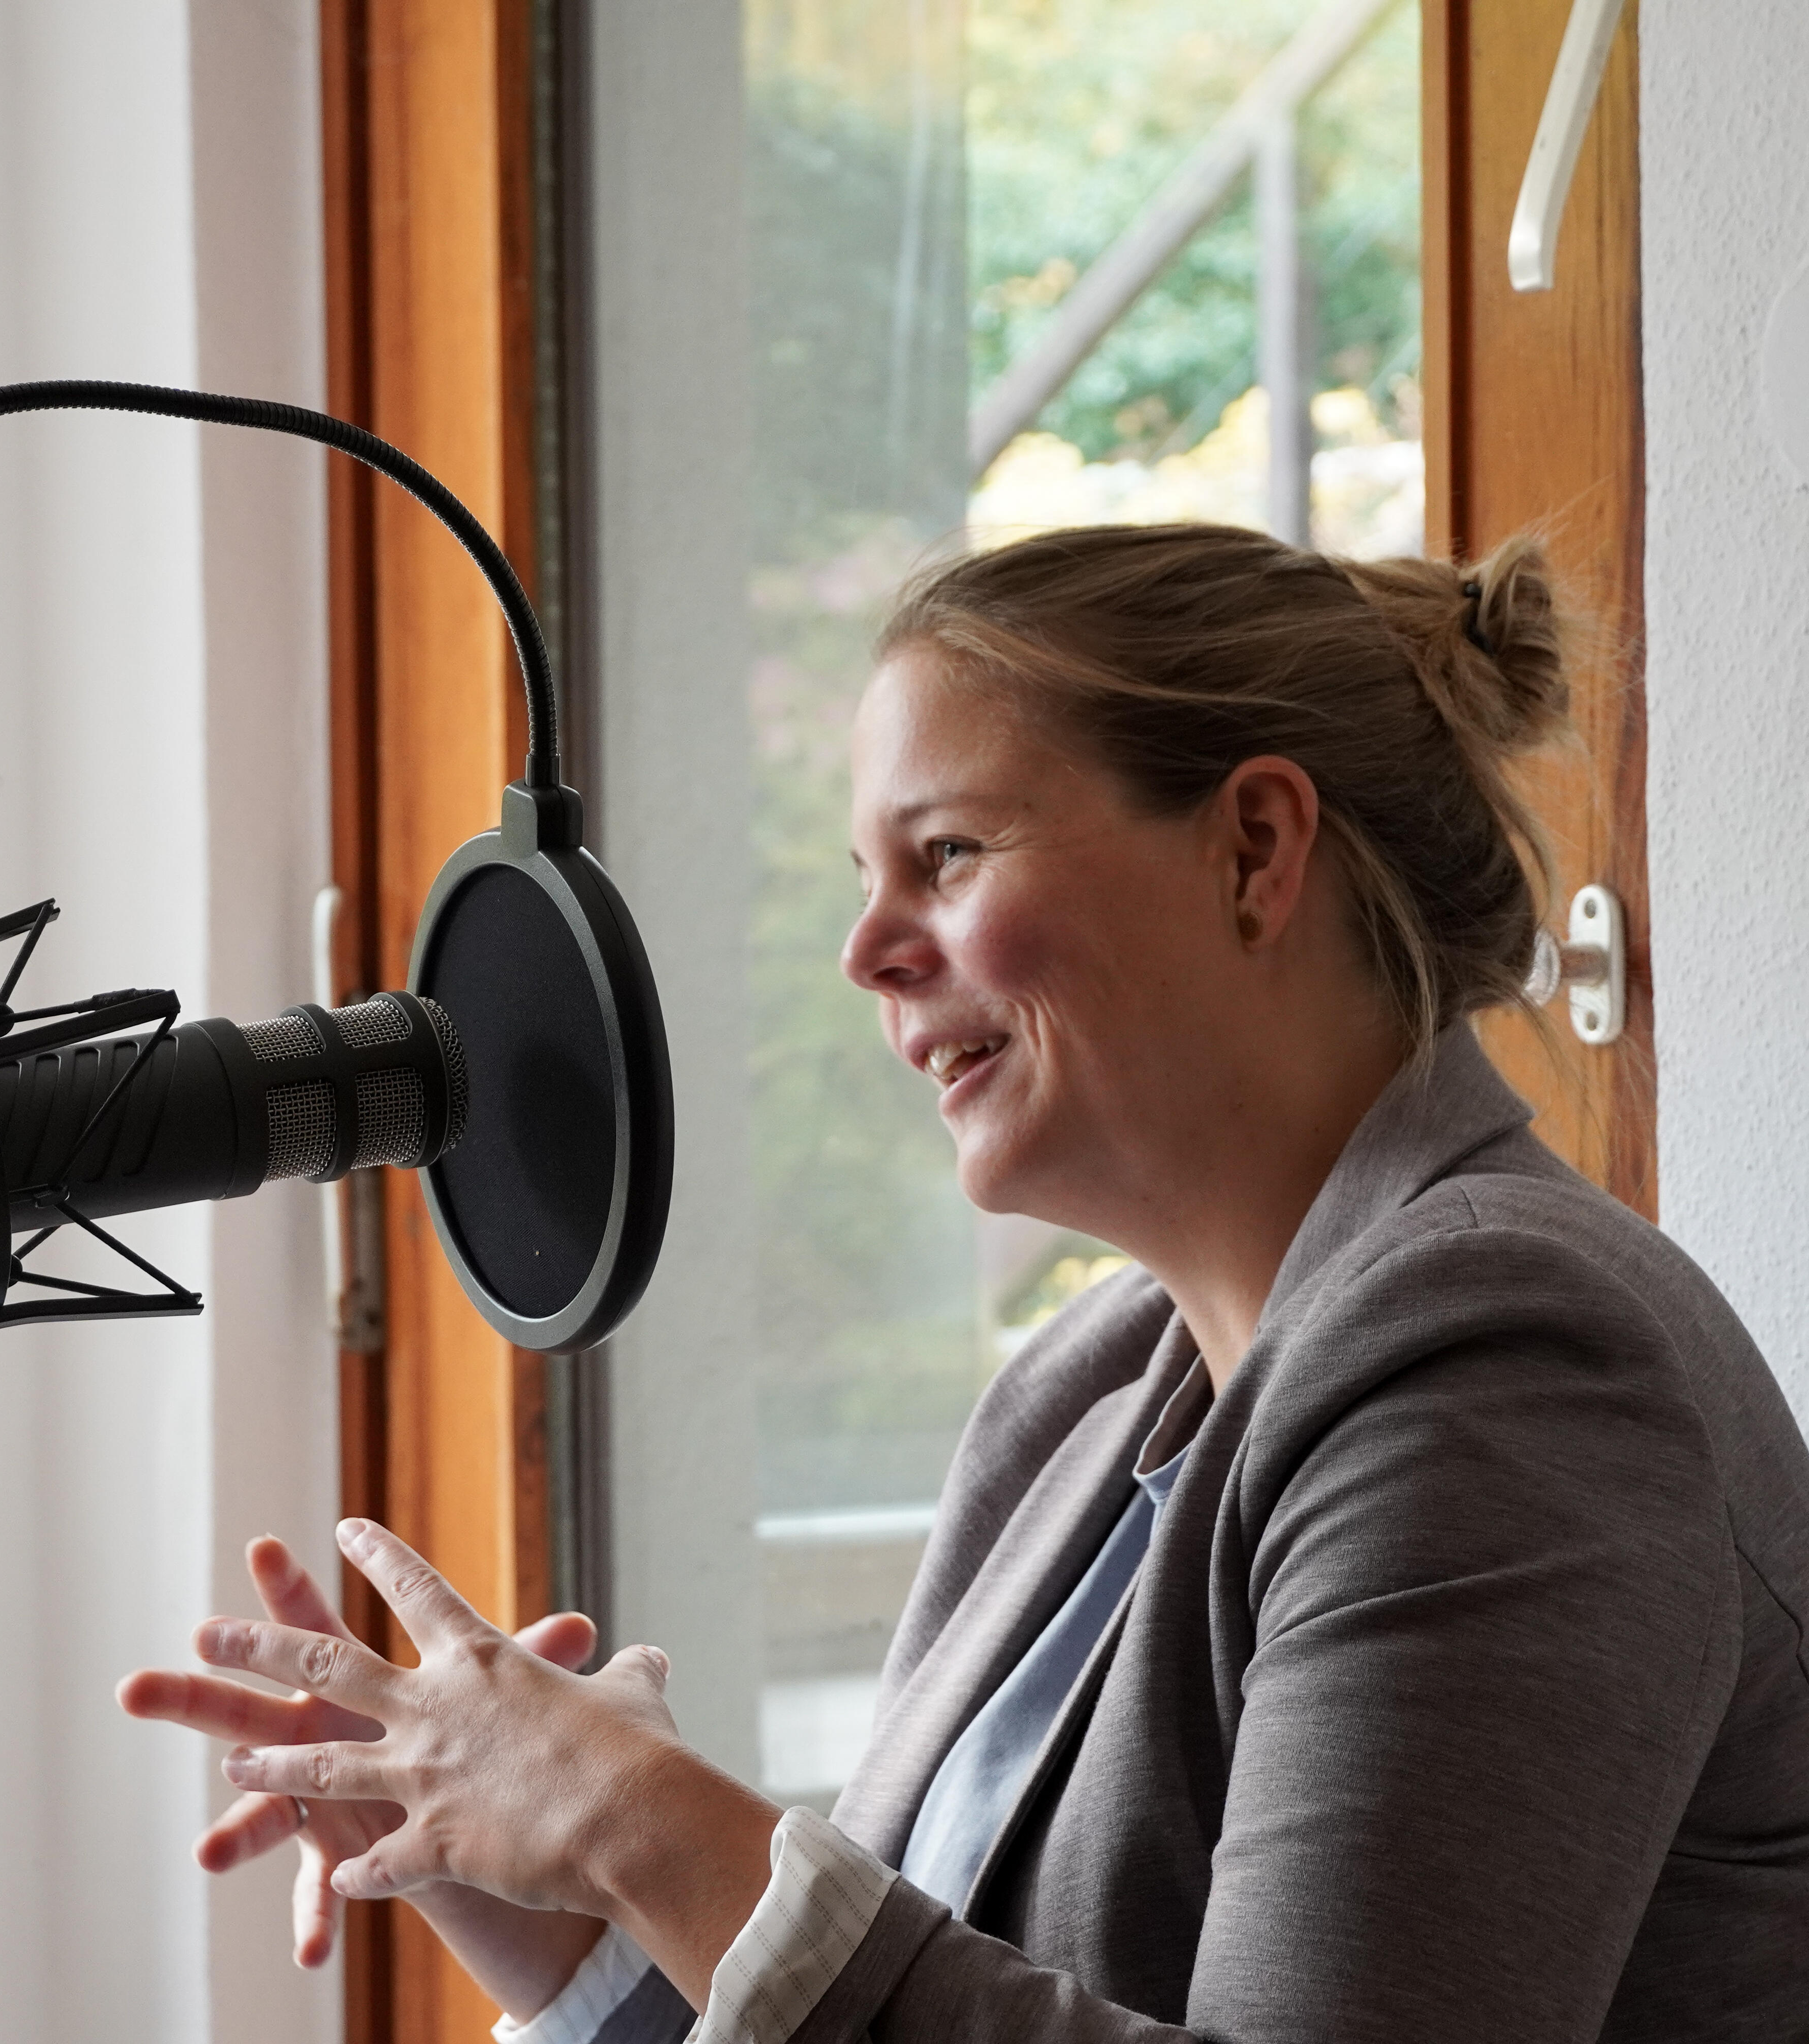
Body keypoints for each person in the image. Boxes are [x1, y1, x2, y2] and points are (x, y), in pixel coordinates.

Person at [122, 524, 1809, 2042]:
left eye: (945, 856)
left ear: (1254, 850)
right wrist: (571, 1926)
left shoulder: (1506, 1363)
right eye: (867, 884)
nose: (866, 953)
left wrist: (643, 1822)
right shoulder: (1080, 1402)